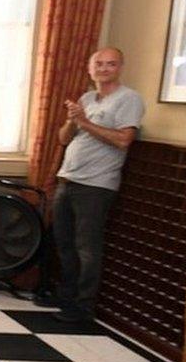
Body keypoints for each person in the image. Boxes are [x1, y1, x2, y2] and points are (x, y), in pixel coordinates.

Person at [50, 47, 144, 323]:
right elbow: (64, 139)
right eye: (98, 64)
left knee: (87, 247)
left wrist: (85, 122)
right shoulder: (87, 98)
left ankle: (83, 306)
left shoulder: (129, 99)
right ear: (90, 70)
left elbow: (123, 140)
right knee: (64, 242)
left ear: (120, 67)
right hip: (68, 178)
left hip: (96, 185)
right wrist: (72, 120)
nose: (104, 69)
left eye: (110, 64)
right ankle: (66, 297)